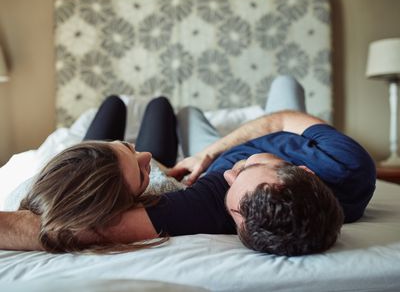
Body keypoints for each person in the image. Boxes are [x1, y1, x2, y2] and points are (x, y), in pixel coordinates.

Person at [0, 76, 376, 256]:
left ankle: (168, 114)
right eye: (247, 169)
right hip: (221, 143)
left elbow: (72, 227)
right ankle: (196, 122)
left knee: (152, 107)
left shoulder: (212, 206)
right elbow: (280, 121)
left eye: (231, 187)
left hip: (187, 165)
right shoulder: (350, 167)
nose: (230, 176)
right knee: (286, 83)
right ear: (304, 172)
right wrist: (211, 154)